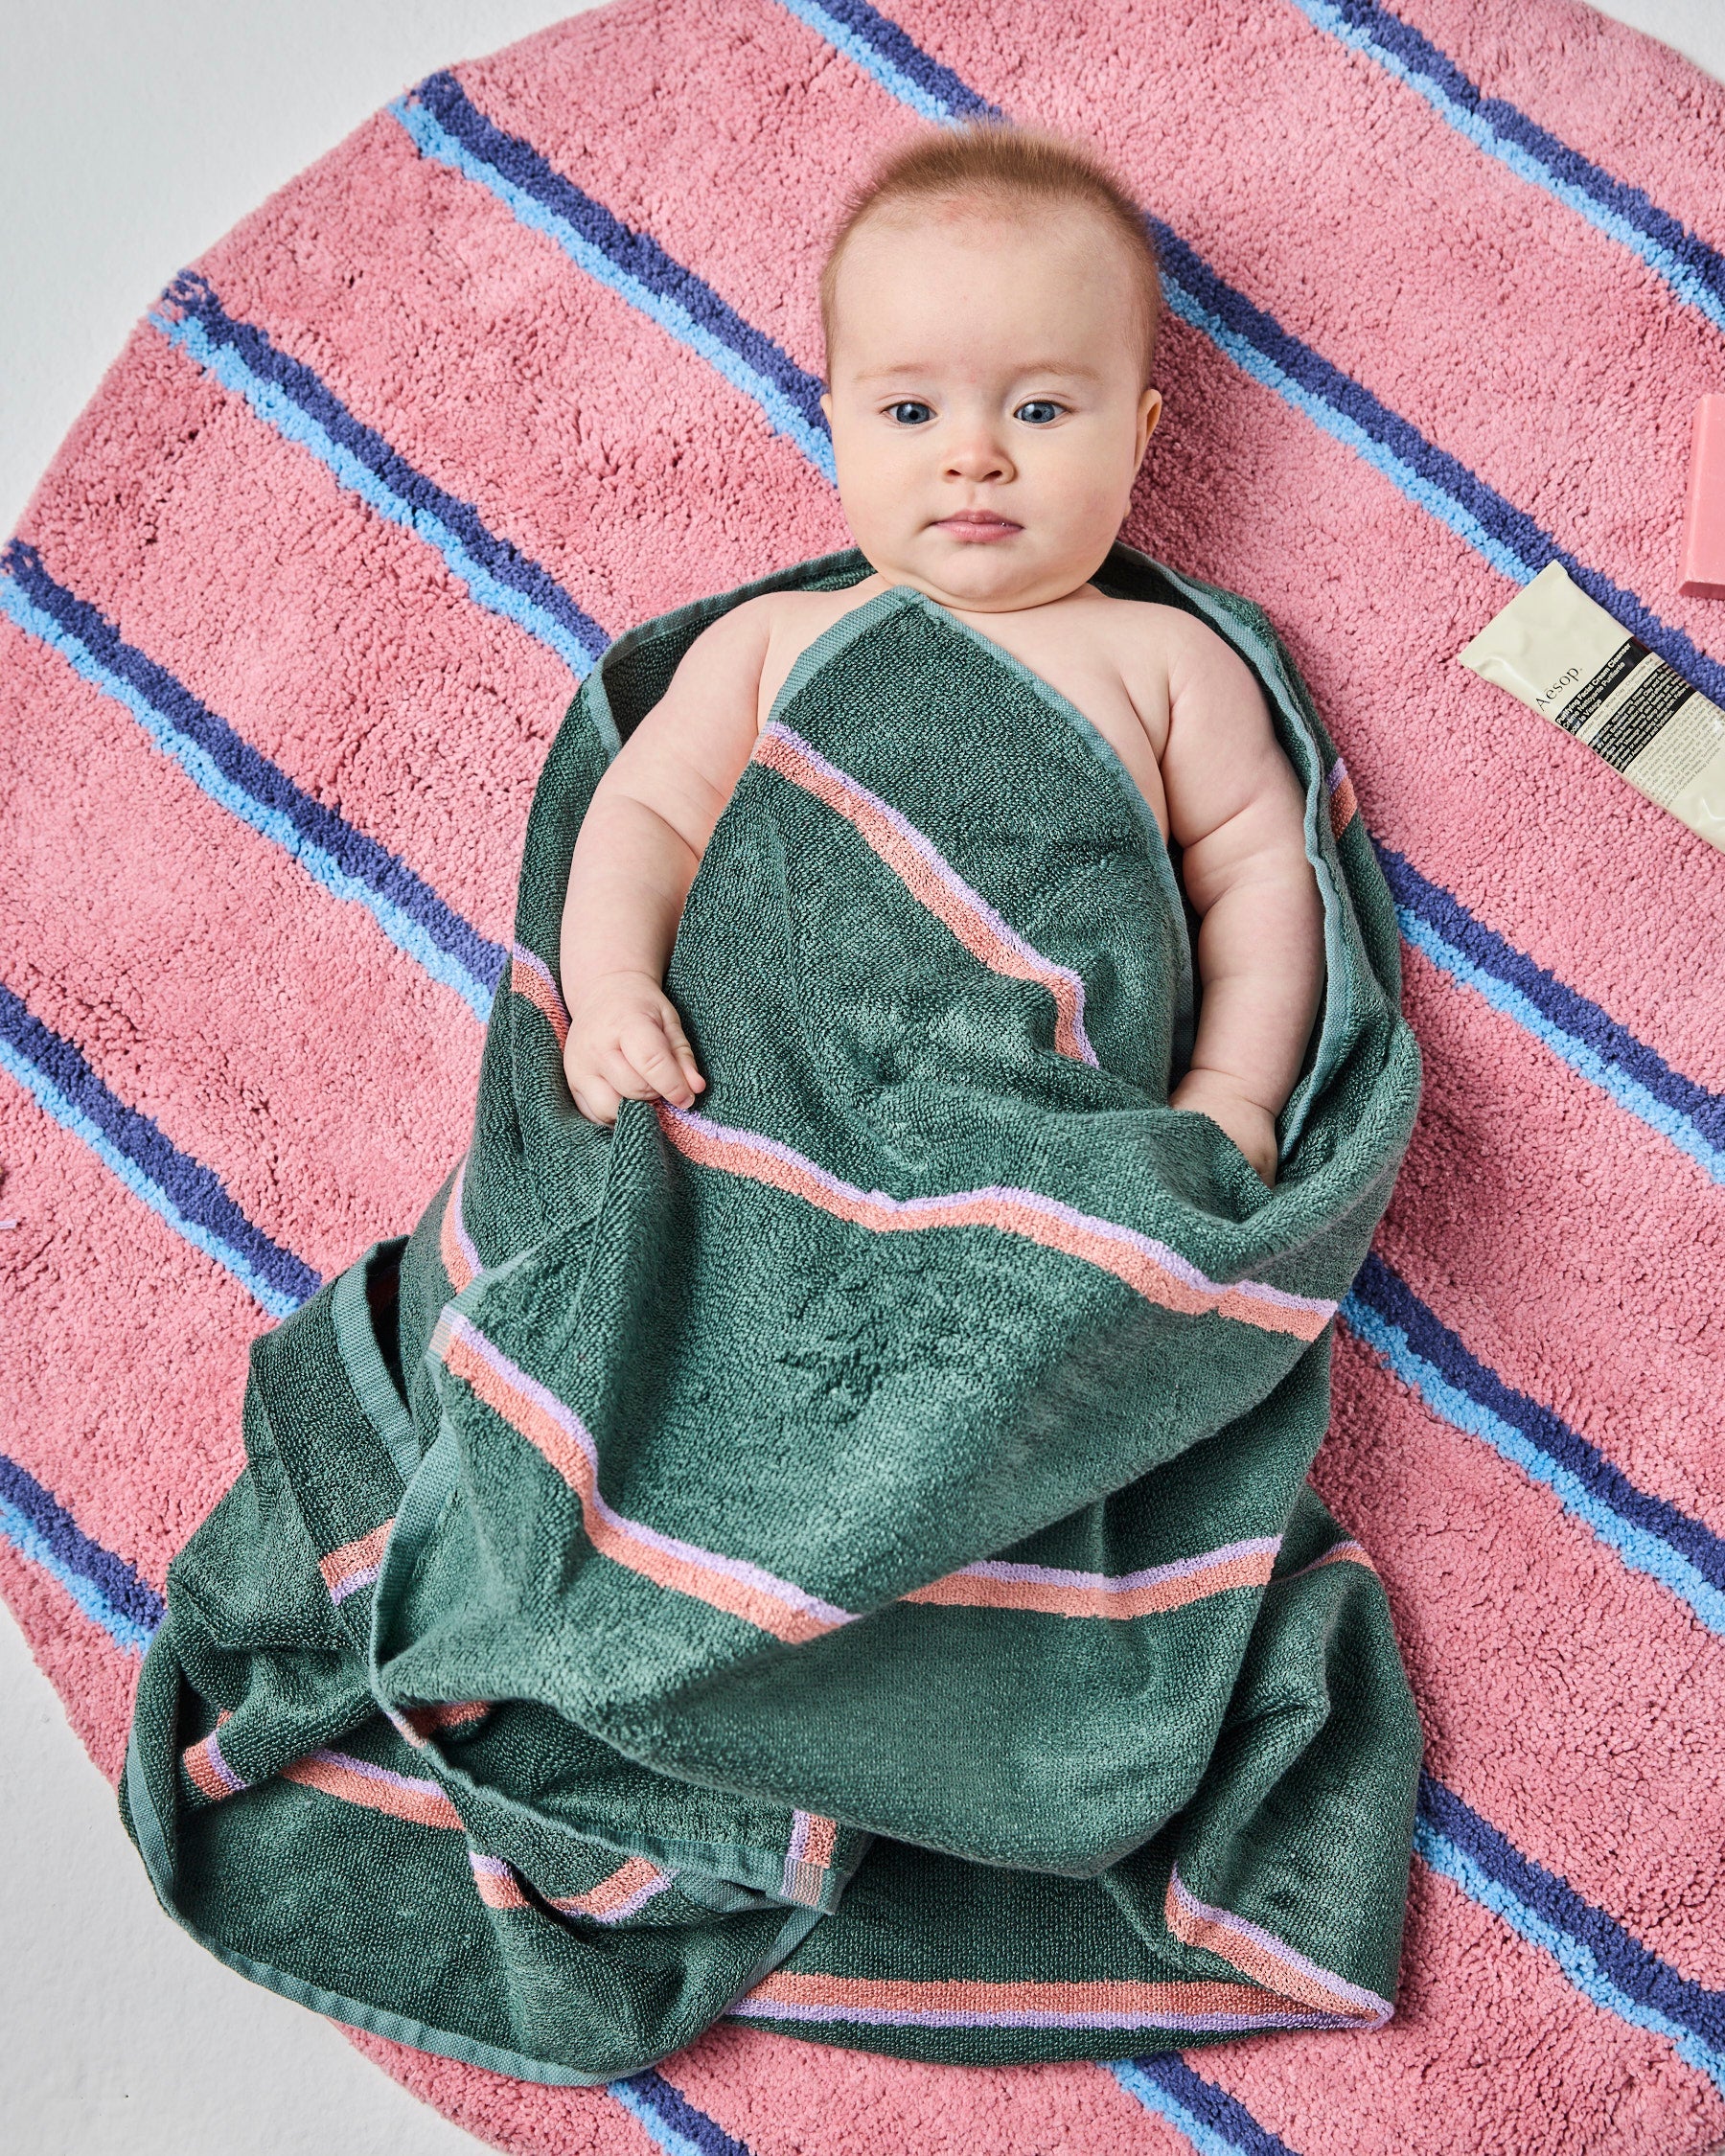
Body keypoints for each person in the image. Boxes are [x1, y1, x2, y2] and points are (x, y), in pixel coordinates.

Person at [558, 122, 1323, 1185]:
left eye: (1042, 408)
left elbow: (1261, 880)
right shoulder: (775, 641)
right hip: (766, 1112)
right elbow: (645, 818)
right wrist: (610, 990)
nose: (975, 457)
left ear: (1141, 436)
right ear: (837, 427)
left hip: (1057, 1140)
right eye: (912, 410)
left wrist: (1233, 1092)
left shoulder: (1168, 661)